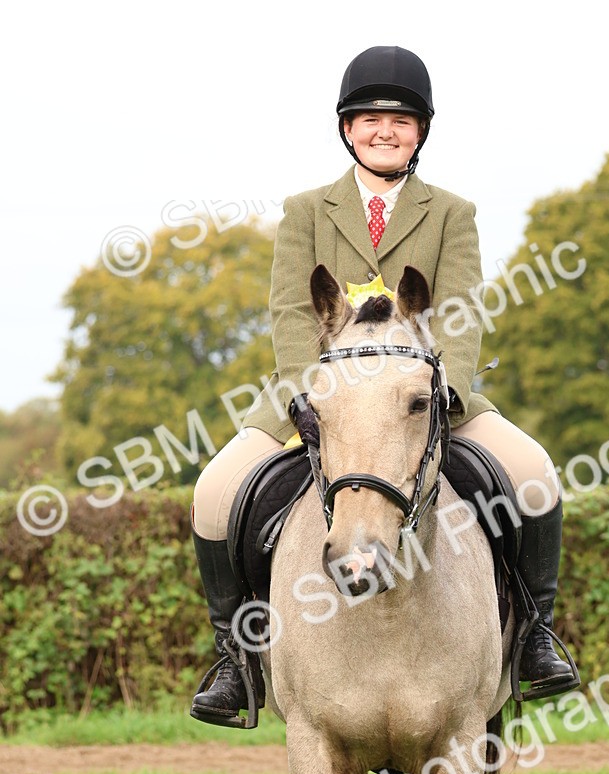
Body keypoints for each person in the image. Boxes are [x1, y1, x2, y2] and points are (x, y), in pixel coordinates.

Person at [190, 45, 577, 727]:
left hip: (423, 399)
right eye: (369, 119)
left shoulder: (452, 212)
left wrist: (441, 393)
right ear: (347, 129)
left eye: (400, 121)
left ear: (420, 132)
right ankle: (234, 660)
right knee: (215, 493)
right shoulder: (306, 209)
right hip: (323, 397)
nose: (384, 131)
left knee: (536, 472)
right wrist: (302, 393)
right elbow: (288, 311)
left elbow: (459, 313)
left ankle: (537, 637)